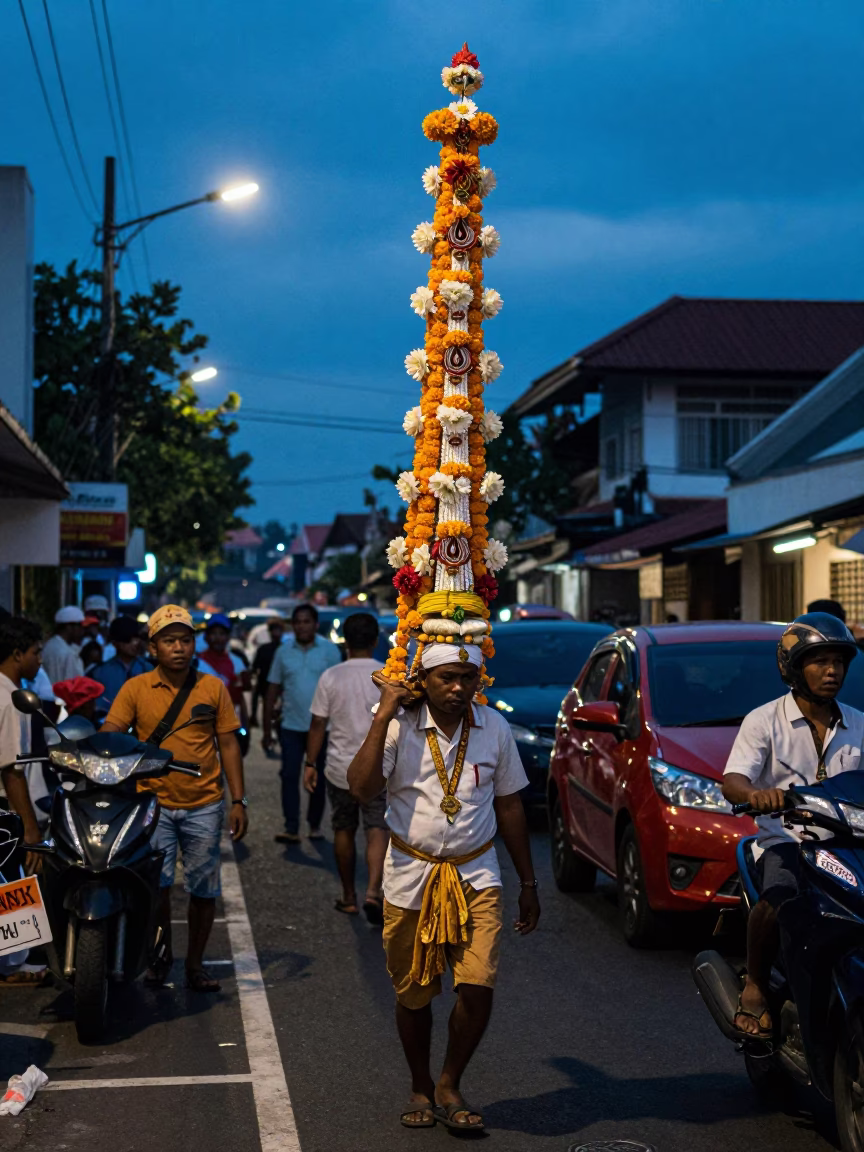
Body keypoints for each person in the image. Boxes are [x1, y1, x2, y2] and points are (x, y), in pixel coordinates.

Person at [347, 641, 540, 1131]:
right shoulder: (397, 725)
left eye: (467, 678)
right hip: (411, 875)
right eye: (446, 678)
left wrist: (529, 882)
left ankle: (449, 1082)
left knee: (478, 987)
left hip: (478, 874)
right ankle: (419, 1083)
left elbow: (511, 805)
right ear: (424, 680)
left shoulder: (493, 726)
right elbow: (362, 788)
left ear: (480, 680)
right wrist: (382, 714)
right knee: (413, 993)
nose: (458, 688)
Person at [723, 612, 864, 1037]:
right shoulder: (763, 721)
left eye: (838, 661)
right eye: (820, 661)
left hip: (848, 841)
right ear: (793, 666)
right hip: (786, 840)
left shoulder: (858, 723)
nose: (832, 670)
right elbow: (733, 780)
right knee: (778, 895)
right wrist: (754, 796)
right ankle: (755, 984)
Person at [101, 604, 249, 993]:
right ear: (154, 648)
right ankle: (159, 955)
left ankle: (196, 965)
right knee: (156, 888)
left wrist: (239, 801)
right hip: (153, 804)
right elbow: (112, 730)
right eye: (169, 641)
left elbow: (228, 743)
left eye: (185, 640)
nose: (179, 648)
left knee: (203, 890)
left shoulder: (211, 686)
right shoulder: (135, 688)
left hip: (203, 802)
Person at [304, 612, 388, 922]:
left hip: (340, 768)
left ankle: (349, 896)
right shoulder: (387, 676)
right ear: (376, 641)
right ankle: (374, 891)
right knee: (378, 827)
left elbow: (317, 723)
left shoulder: (331, 676)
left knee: (343, 828)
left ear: (345, 643)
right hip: (379, 768)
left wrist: (310, 762)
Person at [263, 604, 340, 844]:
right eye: (298, 622)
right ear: (292, 625)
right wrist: (266, 730)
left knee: (317, 776)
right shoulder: (283, 652)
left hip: (323, 727)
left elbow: (339, 690)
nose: (302, 626)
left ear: (315, 625)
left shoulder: (329, 650)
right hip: (291, 726)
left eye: (306, 621)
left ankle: (314, 824)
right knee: (288, 775)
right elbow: (272, 689)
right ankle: (291, 826)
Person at [0, 617, 47, 986]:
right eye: (36, 652)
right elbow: (12, 772)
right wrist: (29, 827)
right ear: (18, 654)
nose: (40, 660)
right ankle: (14, 964)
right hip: (4, 809)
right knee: (13, 878)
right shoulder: (10, 699)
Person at [198, 614, 250, 754]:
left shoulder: (237, 662)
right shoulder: (196, 663)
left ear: (228, 637)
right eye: (213, 633)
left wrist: (245, 725)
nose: (217, 638)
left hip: (229, 726)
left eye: (222, 634)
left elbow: (240, 698)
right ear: (206, 636)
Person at [89, 615, 150, 714]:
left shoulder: (148, 668)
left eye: (137, 638)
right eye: (128, 639)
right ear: (115, 643)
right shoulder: (100, 673)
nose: (135, 643)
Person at [250, 617, 286, 733]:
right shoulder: (264, 649)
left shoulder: (285, 649)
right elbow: (255, 667)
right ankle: (255, 717)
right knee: (258, 698)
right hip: (265, 682)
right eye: (274, 630)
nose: (276, 633)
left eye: (278, 630)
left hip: (280, 684)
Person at [41, 606, 85, 684]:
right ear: (69, 627)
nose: (82, 630)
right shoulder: (68, 653)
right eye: (79, 626)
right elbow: (71, 687)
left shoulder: (48, 646)